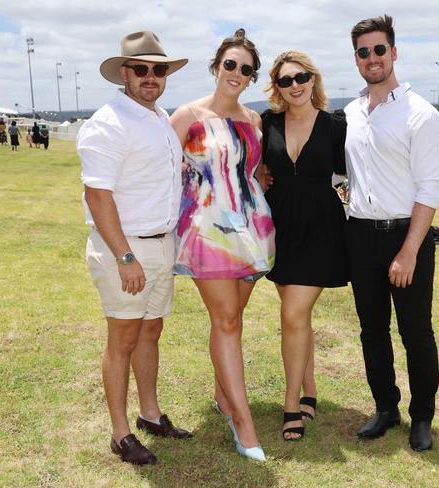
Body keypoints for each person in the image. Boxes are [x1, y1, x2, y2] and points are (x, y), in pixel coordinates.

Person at [77, 30, 192, 466]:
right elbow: (97, 195)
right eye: (141, 69)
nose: (150, 77)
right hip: (124, 251)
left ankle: (150, 415)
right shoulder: (108, 123)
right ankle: (120, 433)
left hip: (161, 245)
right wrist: (125, 257)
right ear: (123, 73)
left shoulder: (160, 117)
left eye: (158, 69)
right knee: (122, 339)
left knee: (151, 331)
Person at [170, 29, 273, 462]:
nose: (236, 73)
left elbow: (253, 171)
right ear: (216, 67)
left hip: (252, 230)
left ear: (252, 78)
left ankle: (222, 396)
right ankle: (242, 422)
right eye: (230, 64)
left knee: (231, 320)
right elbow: (165, 170)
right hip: (205, 230)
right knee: (227, 320)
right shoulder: (185, 116)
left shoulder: (255, 121)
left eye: (246, 69)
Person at [344, 15, 439, 452]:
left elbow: (430, 189)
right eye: (364, 52)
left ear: (394, 53)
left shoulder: (421, 113)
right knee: (372, 330)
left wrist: (407, 252)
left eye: (379, 49)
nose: (372, 58)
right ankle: (386, 408)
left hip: (407, 238)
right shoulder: (350, 112)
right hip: (360, 236)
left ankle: (422, 415)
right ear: (357, 59)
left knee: (416, 331)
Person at [260, 51, 348, 441]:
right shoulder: (266, 123)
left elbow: (361, 168)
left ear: (314, 80)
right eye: (285, 80)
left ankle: (291, 404)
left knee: (293, 315)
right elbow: (248, 160)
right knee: (296, 317)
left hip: (320, 228)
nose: (294, 85)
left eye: (301, 77)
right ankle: (310, 387)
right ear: (276, 87)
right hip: (278, 228)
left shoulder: (335, 125)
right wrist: (259, 172)